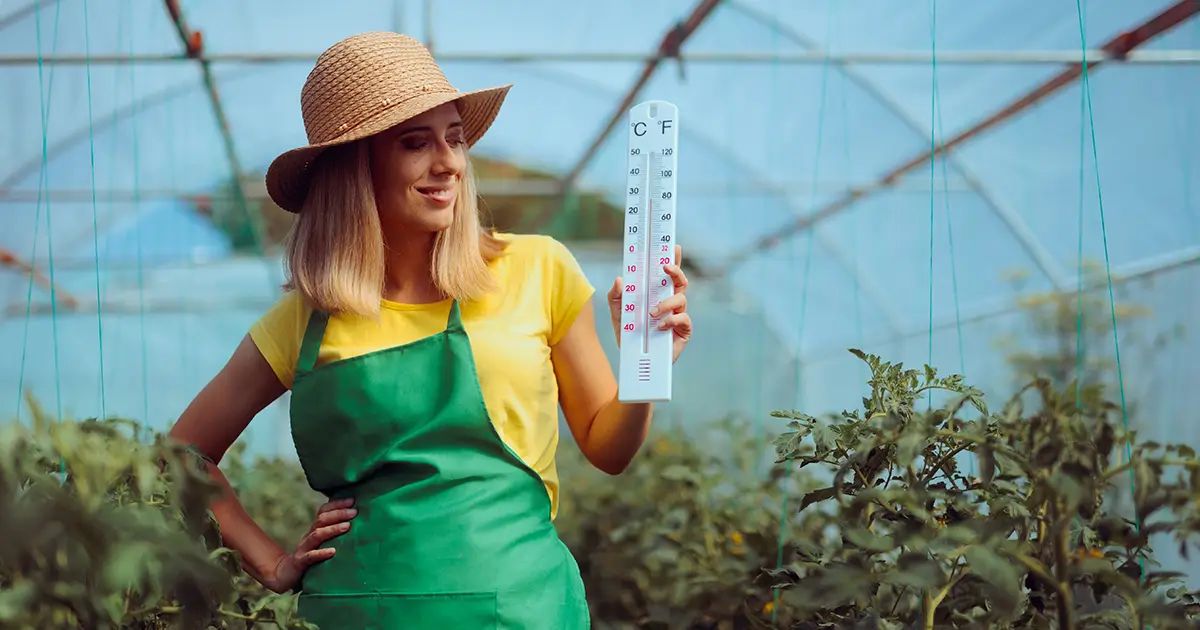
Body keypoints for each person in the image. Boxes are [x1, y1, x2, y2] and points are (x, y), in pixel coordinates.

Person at [167, 31, 692, 628]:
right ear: (354, 169)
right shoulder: (306, 319)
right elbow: (182, 455)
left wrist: (645, 366)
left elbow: (609, 448)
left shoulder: (537, 268)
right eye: (415, 143)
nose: (449, 163)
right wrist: (271, 563)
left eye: (455, 138)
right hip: (357, 612)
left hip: (520, 610)